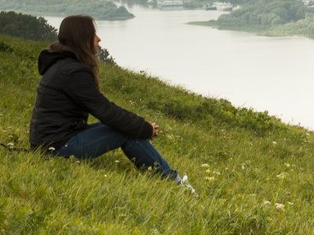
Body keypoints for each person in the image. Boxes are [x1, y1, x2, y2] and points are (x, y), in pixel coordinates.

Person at [29, 14, 192, 191]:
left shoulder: (63, 65)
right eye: (94, 35)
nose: (99, 40)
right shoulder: (72, 72)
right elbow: (105, 110)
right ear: (82, 38)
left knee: (124, 128)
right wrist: (144, 128)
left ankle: (170, 179)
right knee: (126, 131)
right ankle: (173, 183)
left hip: (51, 142)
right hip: (58, 147)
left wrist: (138, 125)